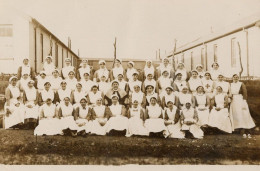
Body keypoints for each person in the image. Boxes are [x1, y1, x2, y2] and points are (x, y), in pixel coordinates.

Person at [229, 74, 255, 138]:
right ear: (232, 78)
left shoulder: (241, 84)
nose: (235, 78)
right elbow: (229, 92)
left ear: (238, 78)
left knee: (243, 114)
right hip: (233, 100)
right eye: (234, 77)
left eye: (237, 77)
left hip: (240, 99)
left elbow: (245, 93)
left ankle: (246, 129)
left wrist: (244, 100)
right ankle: (238, 129)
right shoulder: (230, 84)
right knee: (236, 114)